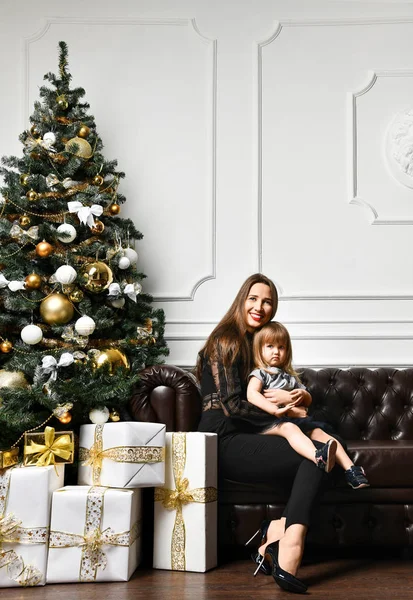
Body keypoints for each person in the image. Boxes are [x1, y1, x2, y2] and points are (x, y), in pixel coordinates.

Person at [196, 274, 329, 594]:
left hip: (249, 432)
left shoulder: (261, 346)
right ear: (241, 300)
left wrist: (295, 405)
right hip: (223, 438)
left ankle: (277, 531)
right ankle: (290, 546)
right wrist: (284, 417)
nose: (260, 307)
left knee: (327, 440)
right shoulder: (226, 339)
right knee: (315, 454)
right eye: (253, 299)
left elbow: (284, 390)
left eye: (267, 301)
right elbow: (231, 407)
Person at [246, 321, 370, 489]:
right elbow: (252, 394)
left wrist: (303, 395)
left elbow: (307, 401)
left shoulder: (289, 376)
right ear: (259, 349)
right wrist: (275, 410)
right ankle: (317, 457)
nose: (276, 351)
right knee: (290, 429)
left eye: (281, 347)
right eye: (270, 346)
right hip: (271, 421)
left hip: (296, 419)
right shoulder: (260, 373)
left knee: (319, 432)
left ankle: (352, 470)